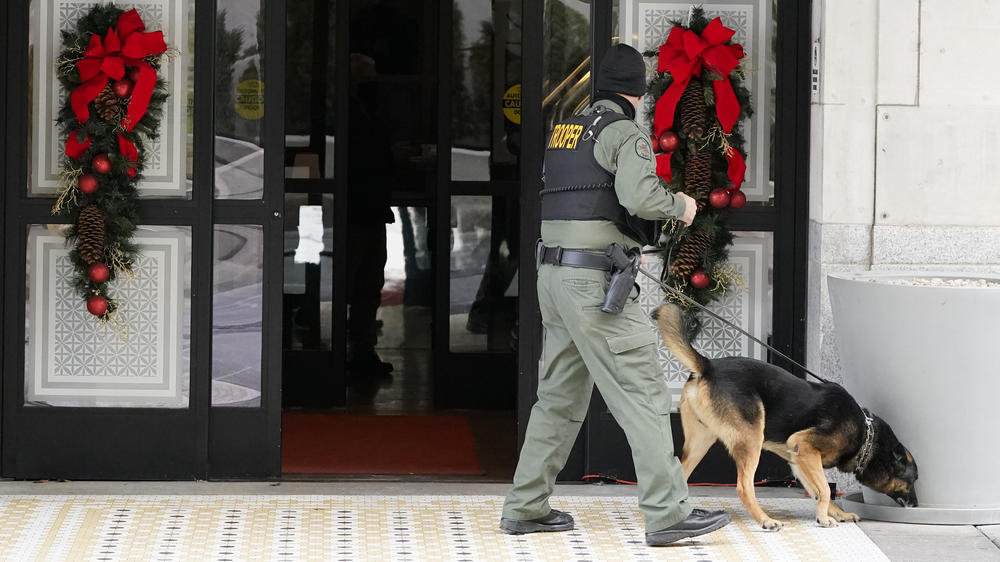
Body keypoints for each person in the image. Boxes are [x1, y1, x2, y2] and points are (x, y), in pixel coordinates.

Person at [499, 44, 732, 546]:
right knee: (644, 395)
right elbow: (640, 197)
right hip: (594, 287)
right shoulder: (625, 133)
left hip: (554, 278)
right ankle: (668, 514)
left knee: (558, 398)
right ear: (639, 92)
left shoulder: (565, 131)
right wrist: (683, 205)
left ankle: (526, 506)